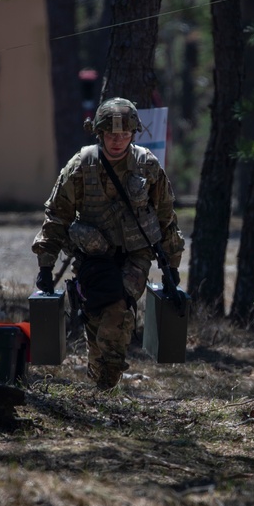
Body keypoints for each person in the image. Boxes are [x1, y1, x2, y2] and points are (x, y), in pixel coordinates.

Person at [32, 97, 185, 390]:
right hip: (92, 257)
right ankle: (99, 379)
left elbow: (166, 217)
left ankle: (106, 383)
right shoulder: (81, 166)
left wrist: (172, 266)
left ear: (133, 135)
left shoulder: (147, 166)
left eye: (125, 135)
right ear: (99, 133)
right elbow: (57, 216)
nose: (118, 141)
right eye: (112, 135)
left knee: (117, 311)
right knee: (96, 318)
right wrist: (45, 266)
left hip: (135, 255)